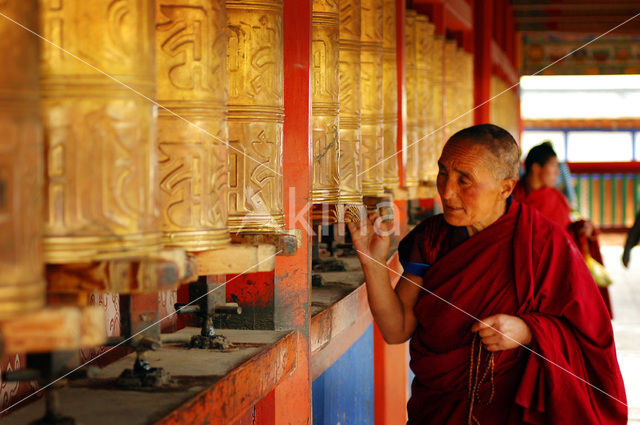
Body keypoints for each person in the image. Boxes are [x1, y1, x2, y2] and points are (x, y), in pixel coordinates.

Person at [348, 124, 626, 425]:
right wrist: (372, 261)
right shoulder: (431, 240)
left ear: (505, 188)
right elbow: (397, 328)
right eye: (444, 173)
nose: (447, 190)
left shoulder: (544, 243)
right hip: (438, 409)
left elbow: (592, 339)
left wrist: (529, 330)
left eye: (464, 180)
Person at [513, 142, 613, 318]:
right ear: (536, 168)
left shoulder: (557, 198)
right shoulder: (513, 196)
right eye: (553, 166)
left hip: (556, 270)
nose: (558, 172)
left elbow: (565, 232)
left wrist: (582, 227)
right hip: (522, 272)